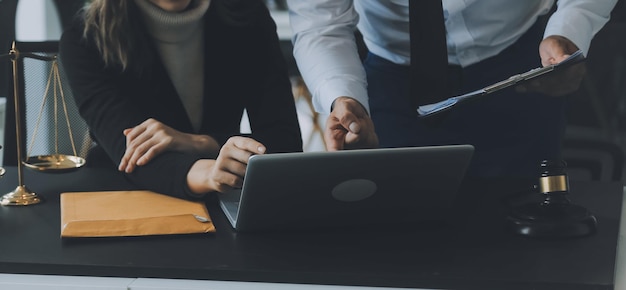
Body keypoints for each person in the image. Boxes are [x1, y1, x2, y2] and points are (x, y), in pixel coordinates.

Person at [288, 0, 617, 177]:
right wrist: (343, 96)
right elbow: (321, 22)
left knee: (528, 222)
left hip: (519, 63)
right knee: (400, 231)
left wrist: (571, 29)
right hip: (392, 80)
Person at [60, 0, 303, 199]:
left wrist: (201, 143)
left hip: (225, 202)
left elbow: (285, 143)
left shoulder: (247, 15)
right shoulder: (85, 37)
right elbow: (134, 156)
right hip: (124, 199)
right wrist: (210, 172)